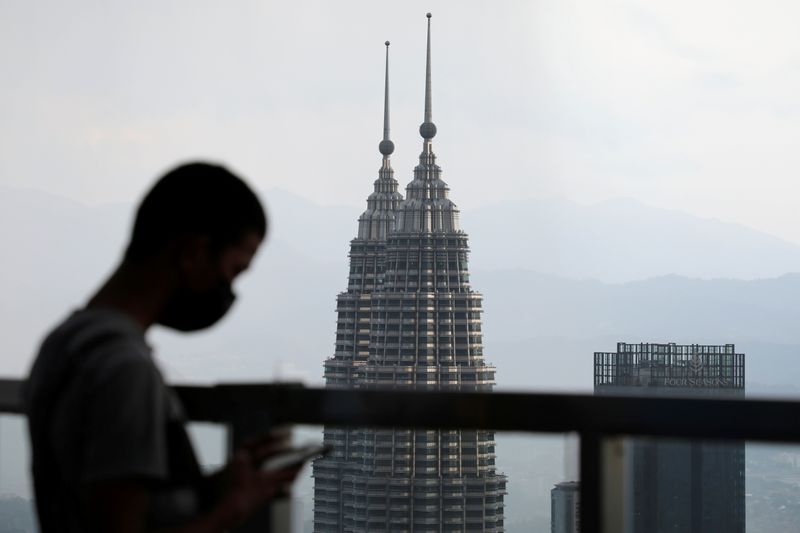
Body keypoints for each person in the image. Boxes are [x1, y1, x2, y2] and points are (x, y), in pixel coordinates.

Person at [25, 162, 298, 532]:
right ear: (193, 253)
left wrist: (217, 486)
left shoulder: (63, 344)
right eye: (233, 270)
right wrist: (235, 508)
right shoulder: (123, 371)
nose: (228, 292)